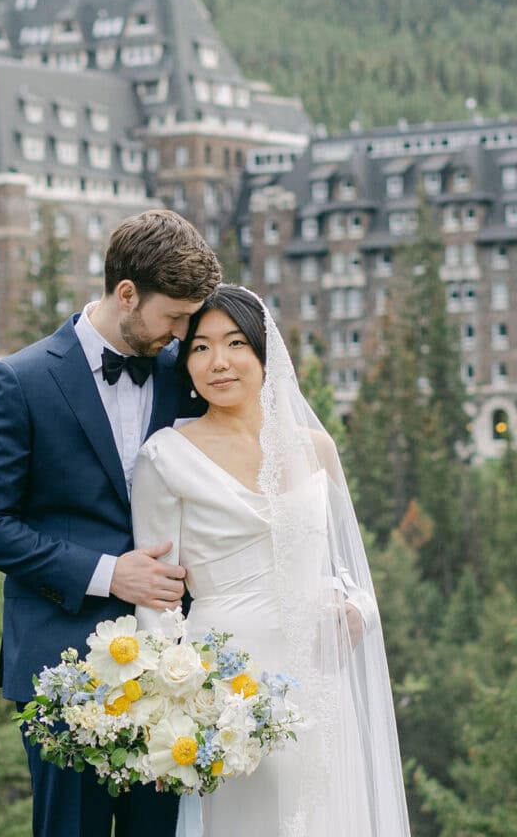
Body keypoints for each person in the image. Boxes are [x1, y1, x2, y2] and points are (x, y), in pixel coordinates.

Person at [0, 209, 222, 837]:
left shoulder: (180, 372)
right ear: (126, 294)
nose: (185, 332)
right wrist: (109, 575)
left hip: (172, 667)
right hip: (60, 663)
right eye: (176, 316)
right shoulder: (20, 380)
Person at [132, 286, 411, 837]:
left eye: (235, 343)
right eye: (201, 347)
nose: (219, 362)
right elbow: (158, 601)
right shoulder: (165, 455)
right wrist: (167, 716)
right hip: (227, 688)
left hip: (316, 677)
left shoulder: (316, 448)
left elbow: (347, 568)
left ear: (265, 354)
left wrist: (357, 609)